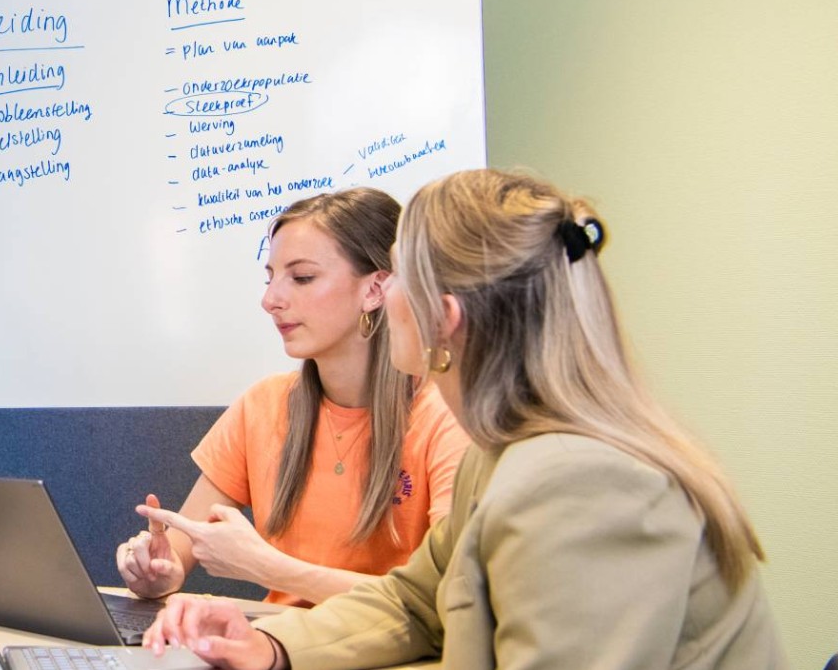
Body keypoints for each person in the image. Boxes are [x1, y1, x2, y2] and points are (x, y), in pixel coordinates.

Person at [141, 169, 784, 668]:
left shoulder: (578, 482)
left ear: (442, 317)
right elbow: (417, 604)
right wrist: (274, 648)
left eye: (399, 278)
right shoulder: (501, 453)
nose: (385, 291)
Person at [117, 188, 470, 608]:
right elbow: (179, 548)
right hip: (276, 647)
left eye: (302, 278)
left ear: (376, 289)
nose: (270, 301)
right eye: (270, 278)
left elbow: (448, 597)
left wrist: (270, 568)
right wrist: (159, 570)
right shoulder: (264, 406)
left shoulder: (446, 416)